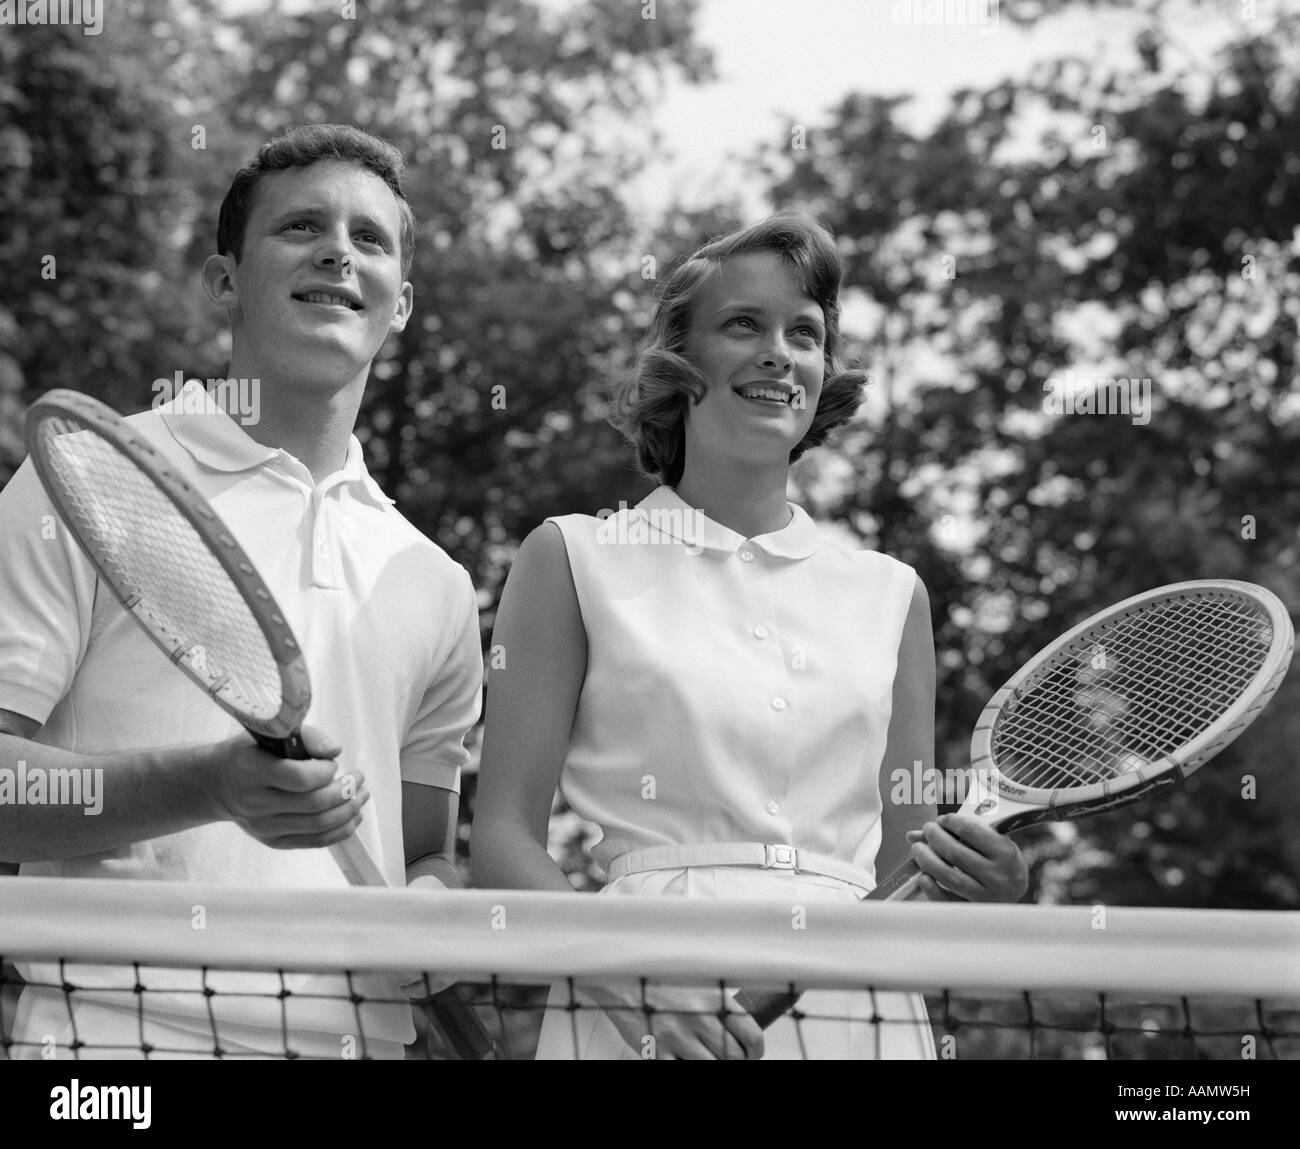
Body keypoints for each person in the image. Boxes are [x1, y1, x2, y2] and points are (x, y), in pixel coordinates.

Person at [471, 212, 1028, 1060]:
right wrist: (625, 971)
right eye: (744, 325)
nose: (779, 352)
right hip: (636, 1007)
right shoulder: (572, 556)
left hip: (858, 1016)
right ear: (679, 362)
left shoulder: (892, 595)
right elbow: (504, 839)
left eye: (803, 333)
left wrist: (982, 892)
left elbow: (899, 880)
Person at [0, 124, 483, 1059]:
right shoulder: (95, 481)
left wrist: (434, 912)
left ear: (403, 302)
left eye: (370, 239)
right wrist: (208, 783)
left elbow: (426, 852)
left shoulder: (438, 583)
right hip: (113, 1047)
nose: (339, 251)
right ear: (225, 280)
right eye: (302, 227)